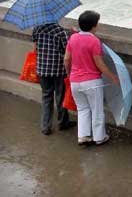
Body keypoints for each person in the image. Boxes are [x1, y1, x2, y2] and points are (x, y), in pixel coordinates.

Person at [64, 10, 119, 146]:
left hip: (75, 81)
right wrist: (113, 77)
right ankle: (99, 137)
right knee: (97, 110)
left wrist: (69, 74)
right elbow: (99, 64)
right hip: (92, 82)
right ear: (94, 26)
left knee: (82, 109)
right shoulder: (94, 41)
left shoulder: (73, 38)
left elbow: (66, 59)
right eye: (97, 24)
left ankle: (83, 136)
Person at [32, 22, 75, 135]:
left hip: (42, 69)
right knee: (60, 97)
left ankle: (45, 126)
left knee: (46, 97)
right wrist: (71, 34)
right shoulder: (60, 31)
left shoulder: (37, 29)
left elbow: (35, 48)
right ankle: (63, 122)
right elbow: (67, 51)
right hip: (58, 70)